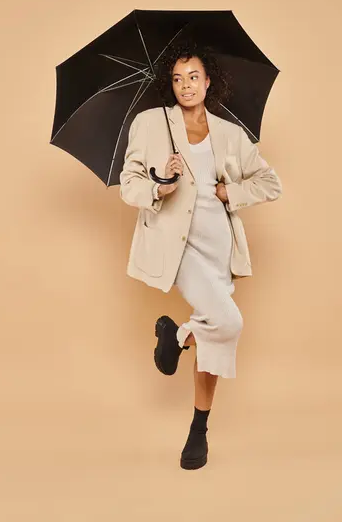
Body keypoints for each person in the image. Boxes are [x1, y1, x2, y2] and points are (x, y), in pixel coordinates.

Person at [119, 41, 282, 470]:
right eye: (177, 79)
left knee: (213, 334)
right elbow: (129, 183)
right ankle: (177, 339)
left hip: (219, 247)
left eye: (193, 77)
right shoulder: (152, 123)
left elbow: (270, 183)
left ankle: (197, 428)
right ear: (169, 84)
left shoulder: (229, 134)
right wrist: (160, 185)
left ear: (208, 81)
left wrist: (233, 191)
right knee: (227, 322)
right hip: (180, 248)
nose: (185, 86)